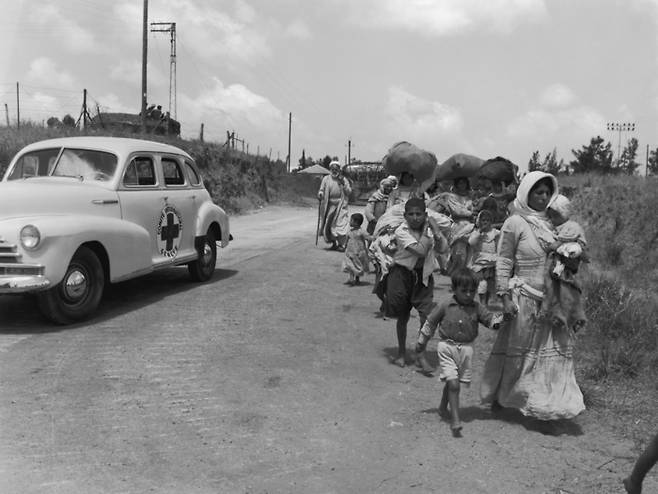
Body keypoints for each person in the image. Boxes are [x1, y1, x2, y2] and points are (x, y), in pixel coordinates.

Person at [480, 171, 586, 421]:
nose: (544, 197)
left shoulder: (556, 225)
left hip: (552, 301)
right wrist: (504, 297)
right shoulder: (515, 223)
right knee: (518, 355)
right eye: (538, 192)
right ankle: (505, 398)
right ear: (527, 193)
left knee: (551, 355)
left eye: (548, 192)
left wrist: (572, 259)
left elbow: (568, 260)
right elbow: (504, 260)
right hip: (523, 298)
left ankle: (546, 405)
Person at [415, 268, 502, 437]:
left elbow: (490, 320)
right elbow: (430, 323)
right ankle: (455, 420)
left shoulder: (477, 307)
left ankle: (442, 407)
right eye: (464, 291)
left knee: (453, 381)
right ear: (454, 289)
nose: (468, 294)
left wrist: (502, 320)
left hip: (466, 350)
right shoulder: (445, 305)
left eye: (472, 291)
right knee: (454, 384)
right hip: (447, 348)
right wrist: (421, 343)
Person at [385, 197, 442, 368]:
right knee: (402, 316)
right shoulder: (401, 231)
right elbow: (421, 251)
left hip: (423, 277)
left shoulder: (431, 231)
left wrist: (437, 232)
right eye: (411, 214)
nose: (415, 217)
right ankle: (401, 353)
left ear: (425, 214)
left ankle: (420, 352)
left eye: (419, 214)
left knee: (427, 317)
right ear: (405, 215)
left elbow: (443, 248)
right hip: (402, 275)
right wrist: (428, 231)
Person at [543, 194, 588, 332]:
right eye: (550, 217)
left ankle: (574, 315)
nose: (552, 220)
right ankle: (556, 314)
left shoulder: (571, 226)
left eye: (555, 216)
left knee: (567, 290)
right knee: (553, 287)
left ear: (563, 213)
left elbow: (561, 241)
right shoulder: (556, 227)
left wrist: (552, 246)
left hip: (566, 262)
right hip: (559, 263)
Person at [468, 209, 500, 306]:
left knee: (490, 284)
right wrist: (479, 232)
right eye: (483, 220)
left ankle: (486, 302)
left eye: (488, 220)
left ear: (491, 222)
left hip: (492, 262)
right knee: (482, 284)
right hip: (480, 262)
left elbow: (499, 246)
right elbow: (471, 242)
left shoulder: (495, 233)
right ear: (479, 221)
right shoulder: (476, 233)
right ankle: (482, 303)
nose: (485, 222)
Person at [317, 161, 352, 251]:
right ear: (330, 169)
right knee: (329, 224)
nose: (334, 171)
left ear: (339, 170)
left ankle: (342, 245)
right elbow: (321, 189)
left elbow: (348, 192)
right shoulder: (326, 179)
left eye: (336, 169)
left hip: (341, 205)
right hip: (329, 205)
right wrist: (320, 194)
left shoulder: (343, 179)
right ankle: (333, 243)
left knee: (340, 225)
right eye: (332, 169)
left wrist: (343, 184)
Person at [369, 225, 397, 318]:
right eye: (388, 227)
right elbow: (372, 251)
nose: (390, 229)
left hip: (394, 266)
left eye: (392, 226)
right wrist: (375, 263)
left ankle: (387, 309)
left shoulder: (400, 237)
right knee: (379, 289)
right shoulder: (380, 238)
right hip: (382, 267)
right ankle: (385, 303)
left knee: (390, 289)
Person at [342, 213, 370, 286]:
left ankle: (357, 279)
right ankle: (351, 278)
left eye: (351, 220)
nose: (349, 222)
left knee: (358, 265)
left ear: (356, 222)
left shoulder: (361, 231)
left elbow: (368, 237)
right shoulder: (350, 231)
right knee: (350, 264)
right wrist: (345, 246)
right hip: (350, 252)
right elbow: (347, 239)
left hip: (359, 252)